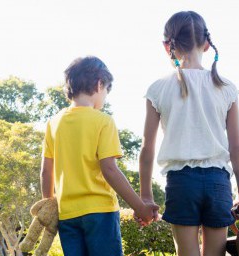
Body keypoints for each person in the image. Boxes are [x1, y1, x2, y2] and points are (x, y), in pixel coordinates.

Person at [138, 11, 239, 256]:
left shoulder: (157, 89)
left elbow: (147, 148)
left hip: (181, 183)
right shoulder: (226, 88)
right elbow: (237, 148)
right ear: (207, 44)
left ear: (167, 45)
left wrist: (145, 196)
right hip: (218, 183)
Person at [41, 56, 158, 256]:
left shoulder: (54, 123)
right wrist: (139, 207)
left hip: (67, 215)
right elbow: (109, 169)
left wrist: (48, 205)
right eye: (106, 91)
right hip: (100, 213)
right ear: (99, 84)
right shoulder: (103, 121)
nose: (104, 98)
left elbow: (46, 172)